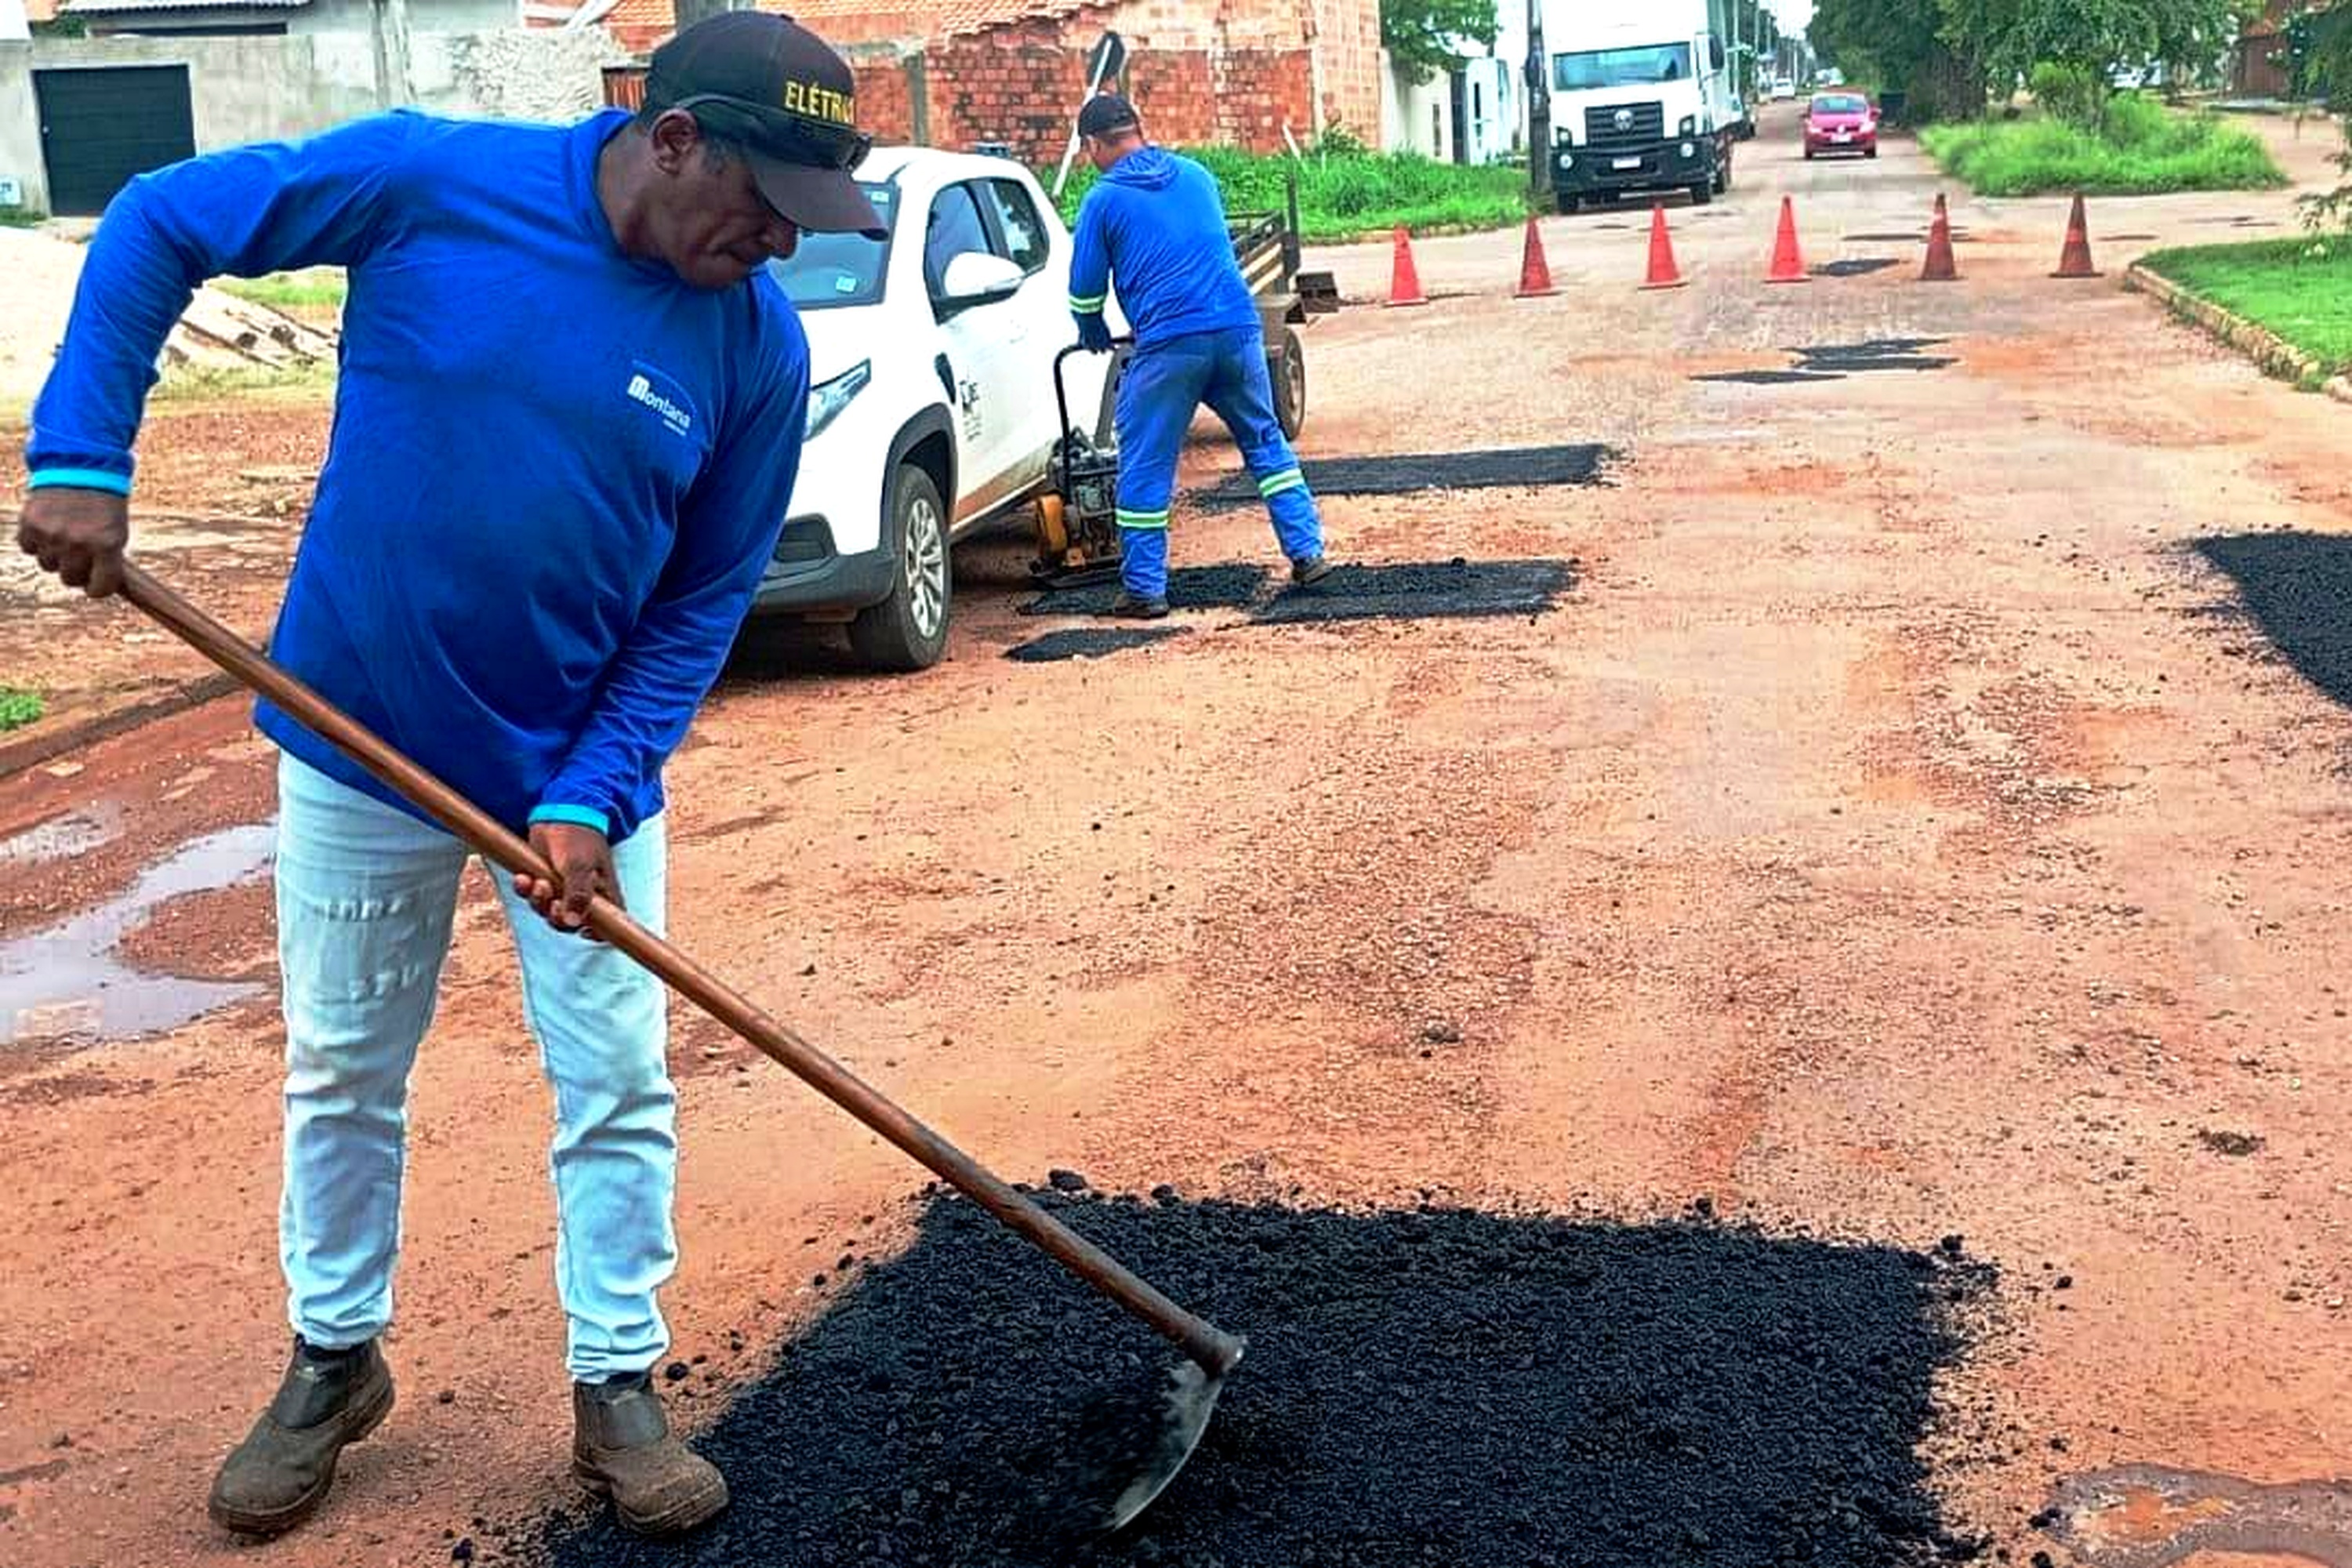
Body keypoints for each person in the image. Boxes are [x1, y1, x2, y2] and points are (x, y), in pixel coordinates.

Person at [13, 10, 886, 1541]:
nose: (777, 247)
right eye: (767, 207)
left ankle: (616, 1378)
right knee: (345, 1069)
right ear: (673, 139)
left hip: (572, 775)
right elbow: (160, 220)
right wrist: (86, 452)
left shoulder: (758, 348)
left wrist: (592, 791)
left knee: (614, 1075)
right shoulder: (430, 181)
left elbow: (696, 611)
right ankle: (336, 1359)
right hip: (359, 743)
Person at [1066, 94, 1333, 619]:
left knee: (1146, 463)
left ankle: (1145, 590)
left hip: (1169, 346)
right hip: (1238, 331)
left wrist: (1092, 330)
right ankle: (1307, 554)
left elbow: (1085, 291)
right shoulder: (1196, 175)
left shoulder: (1103, 201)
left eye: (1087, 150)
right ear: (1139, 129)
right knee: (1265, 443)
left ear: (1095, 144)